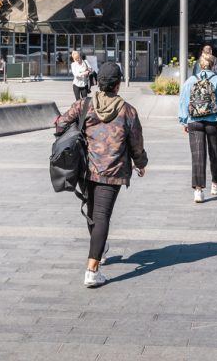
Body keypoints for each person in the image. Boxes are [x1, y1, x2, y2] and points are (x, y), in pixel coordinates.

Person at [54, 62, 148, 288]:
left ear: (98, 83)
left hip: (87, 169)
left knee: (94, 215)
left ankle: (99, 249)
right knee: (102, 216)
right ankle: (92, 270)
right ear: (117, 85)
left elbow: (59, 125)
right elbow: (136, 143)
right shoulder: (128, 110)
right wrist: (141, 163)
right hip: (113, 171)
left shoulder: (84, 105)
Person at [179, 53, 217, 203]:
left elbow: (183, 101)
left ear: (199, 65)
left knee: (197, 155)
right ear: (213, 65)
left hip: (194, 121)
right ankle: (215, 184)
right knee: (214, 150)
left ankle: (198, 190)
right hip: (213, 121)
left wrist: (184, 121)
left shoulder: (190, 80)